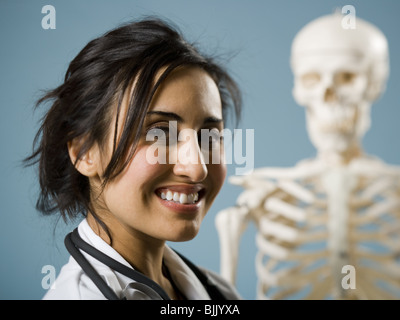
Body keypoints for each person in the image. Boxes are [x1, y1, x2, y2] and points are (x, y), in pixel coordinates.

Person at [25, 17, 242, 300]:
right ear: (84, 152)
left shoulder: (219, 293)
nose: (197, 168)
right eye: (160, 134)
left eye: (210, 136)